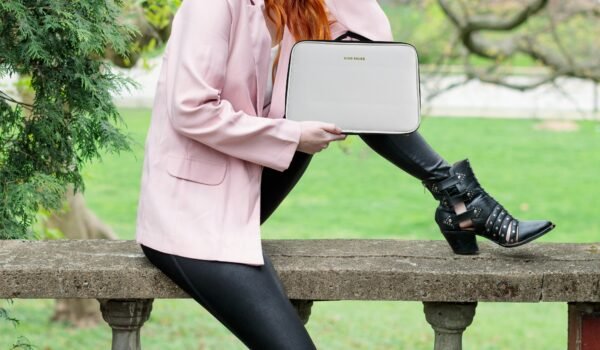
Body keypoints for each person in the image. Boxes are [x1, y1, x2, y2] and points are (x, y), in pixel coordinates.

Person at [135, 0, 555, 348]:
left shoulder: (297, 9)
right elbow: (191, 109)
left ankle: (456, 196)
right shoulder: (213, 5)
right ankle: (463, 202)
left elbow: (373, 51)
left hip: (241, 190)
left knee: (352, 78)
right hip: (190, 212)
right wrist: (292, 133)